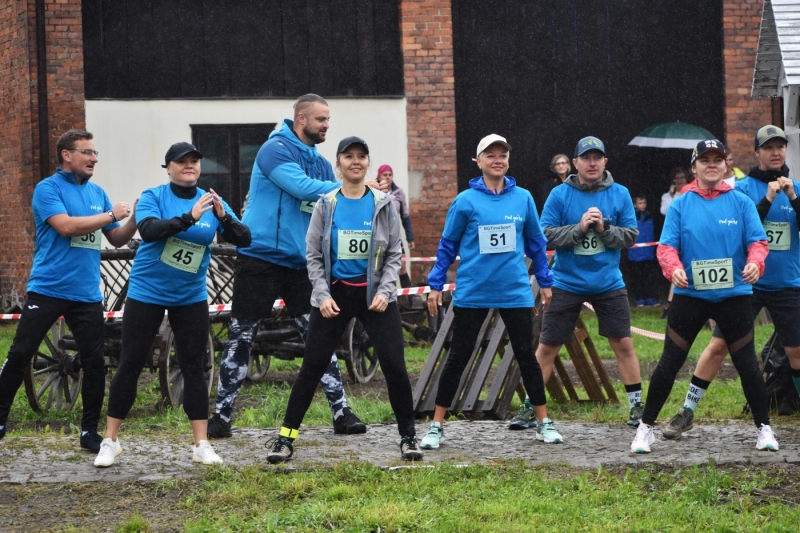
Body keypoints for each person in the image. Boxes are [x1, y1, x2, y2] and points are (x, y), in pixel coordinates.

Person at [208, 94, 366, 439]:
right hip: (261, 255)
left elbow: (330, 214)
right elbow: (302, 188)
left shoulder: (323, 164)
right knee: (241, 337)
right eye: (321, 119)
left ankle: (341, 412)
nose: (327, 125)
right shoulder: (274, 149)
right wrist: (353, 186)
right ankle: (221, 416)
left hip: (301, 264)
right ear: (300, 119)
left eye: (328, 120)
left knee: (320, 336)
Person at [93, 143, 251, 467]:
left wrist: (223, 218)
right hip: (147, 293)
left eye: (195, 161)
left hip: (189, 296)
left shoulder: (210, 200)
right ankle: (110, 441)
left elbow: (244, 237)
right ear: (168, 167)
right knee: (131, 362)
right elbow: (150, 230)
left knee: (195, 366)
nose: (190, 166)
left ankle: (201, 444)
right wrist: (188, 218)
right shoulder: (154, 196)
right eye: (182, 162)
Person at [266, 136, 422, 463]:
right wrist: (321, 295)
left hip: (375, 297)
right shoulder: (326, 204)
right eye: (348, 156)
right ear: (338, 164)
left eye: (361, 156)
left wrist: (385, 291)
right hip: (334, 296)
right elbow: (312, 255)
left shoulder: (383, 203)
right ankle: (285, 438)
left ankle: (408, 436)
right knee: (312, 367)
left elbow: (395, 252)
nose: (355, 162)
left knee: (395, 365)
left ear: (368, 162)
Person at [631, 139, 777, 453]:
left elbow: (758, 241)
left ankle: (764, 429)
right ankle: (645, 428)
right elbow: (667, 246)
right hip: (691, 294)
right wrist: (674, 269)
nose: (712, 165)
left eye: (718, 160)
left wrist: (755, 262)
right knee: (669, 362)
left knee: (747, 365)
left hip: (733, 294)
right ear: (694, 166)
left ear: (726, 165)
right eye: (705, 160)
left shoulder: (740, 202)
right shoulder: (681, 204)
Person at [0, 129, 137, 451]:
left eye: (95, 152)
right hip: (48, 288)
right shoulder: (47, 189)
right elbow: (65, 226)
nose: (94, 158)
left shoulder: (97, 192)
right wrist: (108, 215)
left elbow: (115, 238)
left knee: (94, 363)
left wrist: (136, 218)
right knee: (20, 353)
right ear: (67, 155)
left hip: (87, 294)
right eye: (87, 152)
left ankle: (89, 431)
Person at [661, 126, 800, 443]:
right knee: (718, 345)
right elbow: (750, 230)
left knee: (796, 351)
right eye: (768, 148)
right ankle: (687, 411)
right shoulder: (742, 190)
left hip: (788, 282)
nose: (775, 152)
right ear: (757, 154)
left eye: (780, 146)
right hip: (743, 286)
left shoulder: (797, 188)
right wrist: (767, 199)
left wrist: (792, 196)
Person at [424, 134, 560, 447]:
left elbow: (537, 243)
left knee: (527, 356)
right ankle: (436, 425)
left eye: (503, 155)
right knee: (458, 355)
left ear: (508, 160)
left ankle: (544, 421)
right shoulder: (465, 201)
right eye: (491, 155)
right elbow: (447, 245)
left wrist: (545, 280)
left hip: (514, 291)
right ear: (479, 161)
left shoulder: (523, 198)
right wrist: (434, 283)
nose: (498, 159)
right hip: (473, 291)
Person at [536, 136, 644, 429]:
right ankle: (529, 408)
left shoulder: (620, 193)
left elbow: (631, 236)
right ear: (575, 163)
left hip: (608, 282)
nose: (592, 163)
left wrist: (605, 228)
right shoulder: (559, 195)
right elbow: (544, 234)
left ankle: (636, 407)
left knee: (622, 342)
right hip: (566, 281)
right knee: (548, 346)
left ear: (605, 162)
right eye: (586, 158)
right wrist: (579, 228)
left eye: (597, 157)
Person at [376, 165, 415, 288]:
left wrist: (410, 238)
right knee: (378, 267)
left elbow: (405, 216)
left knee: (402, 267)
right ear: (379, 176)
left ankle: (408, 300)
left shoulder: (399, 193)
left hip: (394, 234)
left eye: (390, 175)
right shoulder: (373, 191)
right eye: (385, 175)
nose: (388, 177)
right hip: (377, 233)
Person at [628, 193, 658, 307]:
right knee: (637, 277)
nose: (643, 205)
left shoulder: (650, 216)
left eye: (644, 202)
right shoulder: (631, 217)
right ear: (635, 205)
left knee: (648, 276)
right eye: (640, 203)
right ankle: (639, 298)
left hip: (648, 252)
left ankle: (650, 297)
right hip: (635, 253)